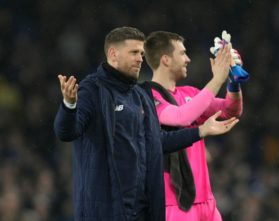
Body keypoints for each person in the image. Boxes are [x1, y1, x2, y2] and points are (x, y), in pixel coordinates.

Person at [53, 26, 239, 221]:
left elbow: (157, 141)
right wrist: (69, 105)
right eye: (134, 52)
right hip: (105, 210)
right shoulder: (92, 91)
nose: (140, 58)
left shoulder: (139, 96)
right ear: (113, 54)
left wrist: (200, 131)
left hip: (140, 211)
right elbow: (66, 132)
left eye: (141, 53)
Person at [144, 31, 243, 221]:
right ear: (165, 60)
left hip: (208, 203)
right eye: (182, 53)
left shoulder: (190, 93)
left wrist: (233, 81)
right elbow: (181, 117)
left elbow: (231, 110)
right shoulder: (147, 97)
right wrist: (217, 80)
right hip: (175, 205)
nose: (188, 59)